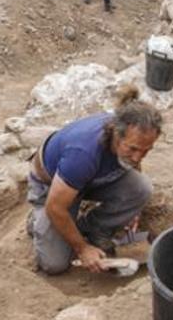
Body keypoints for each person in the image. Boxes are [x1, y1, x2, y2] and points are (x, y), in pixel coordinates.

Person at [27, 85, 160, 275]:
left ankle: (92, 228)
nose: (138, 157)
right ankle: (36, 220)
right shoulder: (83, 153)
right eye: (132, 149)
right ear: (116, 134)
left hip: (87, 180)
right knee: (54, 264)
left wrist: (133, 211)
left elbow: (134, 164)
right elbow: (55, 206)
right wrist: (83, 249)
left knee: (141, 188)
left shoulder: (129, 139)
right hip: (52, 187)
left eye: (145, 151)